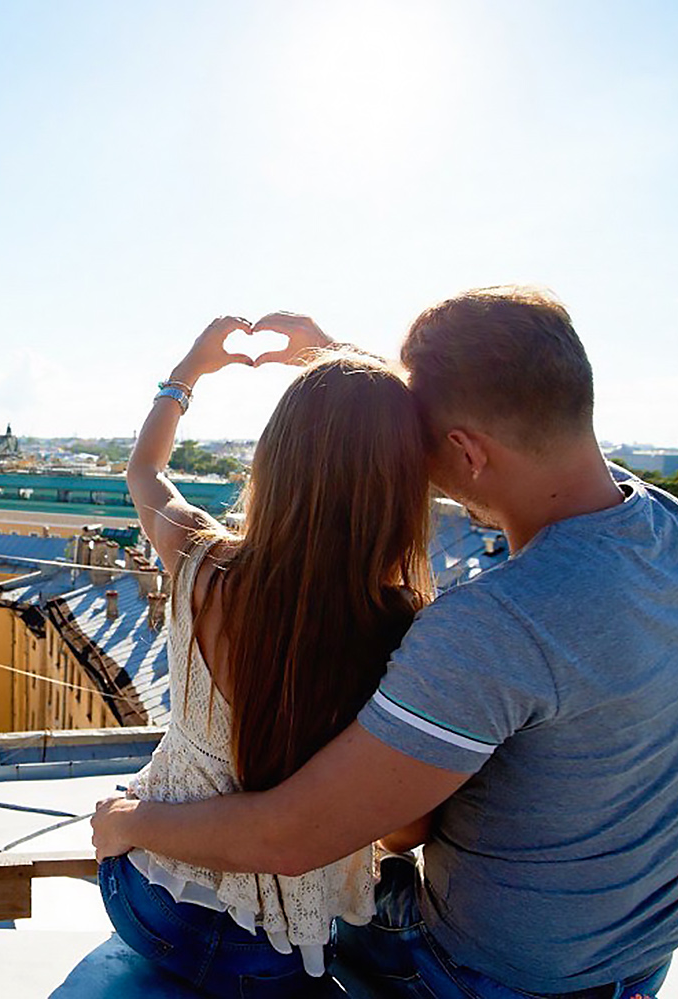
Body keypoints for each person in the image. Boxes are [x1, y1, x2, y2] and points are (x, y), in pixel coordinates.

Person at [92, 287, 678, 998]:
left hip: (489, 976)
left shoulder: (490, 626)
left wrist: (131, 818)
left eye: (419, 438)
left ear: (464, 449)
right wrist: (340, 364)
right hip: (641, 959)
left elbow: (297, 835)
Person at [100, 314, 436, 995]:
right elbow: (404, 833)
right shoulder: (405, 627)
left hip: (151, 901)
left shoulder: (202, 560)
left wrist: (187, 372)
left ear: (273, 460)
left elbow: (144, 469)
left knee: (124, 799)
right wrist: (335, 359)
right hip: (285, 951)